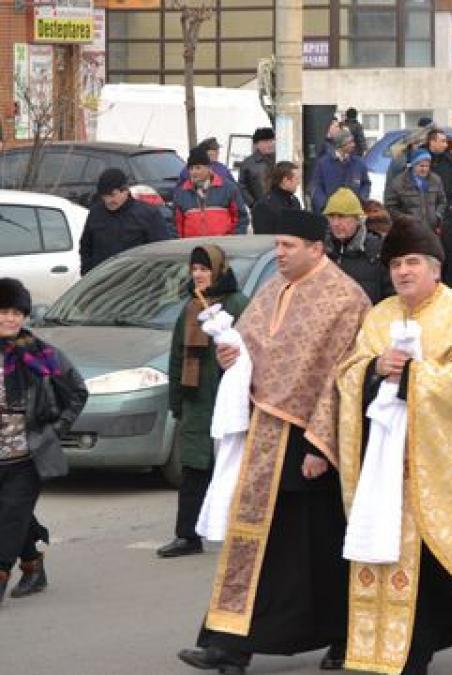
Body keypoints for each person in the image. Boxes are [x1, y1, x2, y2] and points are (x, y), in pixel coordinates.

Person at [177, 209, 371, 675]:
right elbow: (247, 346)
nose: (279, 254)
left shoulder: (346, 298)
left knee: (323, 547)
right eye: (277, 245)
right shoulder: (273, 289)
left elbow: (342, 376)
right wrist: (231, 354)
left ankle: (344, 637)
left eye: (288, 247)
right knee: (259, 541)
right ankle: (227, 644)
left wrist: (322, 445)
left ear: (316, 249)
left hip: (312, 441)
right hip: (265, 434)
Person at [335, 217, 452, 674]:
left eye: (413, 262)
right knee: (396, 563)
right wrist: (375, 368)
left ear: (436, 269)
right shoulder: (378, 316)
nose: (403, 272)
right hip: (388, 466)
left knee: (448, 563)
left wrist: (416, 375)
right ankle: (402, 658)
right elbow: (347, 373)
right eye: (397, 263)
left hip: (448, 466)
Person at [158, 246, 249, 559]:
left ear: (219, 270)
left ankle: (238, 532)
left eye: (204, 268)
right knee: (194, 467)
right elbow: (177, 356)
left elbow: (252, 349)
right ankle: (187, 535)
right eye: (194, 268)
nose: (198, 274)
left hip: (229, 399)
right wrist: (178, 401)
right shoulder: (190, 306)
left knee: (233, 468)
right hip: (197, 399)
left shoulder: (237, 303)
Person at [0, 278, 87, 604]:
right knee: (14, 515)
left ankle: (2, 572)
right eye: (3, 311)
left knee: (9, 515)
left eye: (16, 312)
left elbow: (78, 392)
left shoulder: (42, 354)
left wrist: (55, 431)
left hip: (27, 454)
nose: (10, 318)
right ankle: (33, 566)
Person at [80, 168, 171, 274]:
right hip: (103, 280)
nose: (109, 200)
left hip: (136, 281)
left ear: (125, 190)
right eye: (105, 196)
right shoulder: (96, 213)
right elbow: (86, 247)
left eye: (113, 195)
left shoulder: (148, 214)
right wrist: (88, 274)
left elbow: (161, 251)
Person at [324, 188, 392, 304]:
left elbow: (391, 295)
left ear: (358, 219)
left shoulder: (377, 251)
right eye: (331, 217)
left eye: (341, 216)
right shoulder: (321, 251)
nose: (335, 223)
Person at [175, 147, 247, 238]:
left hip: (222, 248)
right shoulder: (182, 193)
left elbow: (241, 217)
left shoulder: (228, 188)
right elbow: (176, 224)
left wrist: (234, 240)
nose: (194, 172)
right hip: (193, 248)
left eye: (198, 168)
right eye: (191, 168)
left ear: (208, 168)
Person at [310, 129, 371, 215]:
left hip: (353, 213)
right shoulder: (323, 163)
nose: (353, 145)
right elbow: (316, 186)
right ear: (340, 145)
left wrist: (361, 199)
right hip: (330, 213)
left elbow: (366, 184)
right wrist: (324, 205)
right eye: (349, 142)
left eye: (353, 141)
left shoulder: (359, 163)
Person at [385, 149, 446, 232]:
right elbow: (390, 206)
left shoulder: (435, 180)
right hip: (409, 230)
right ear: (413, 165)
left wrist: (437, 215)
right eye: (421, 166)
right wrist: (405, 219)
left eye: (427, 166)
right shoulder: (399, 182)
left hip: (431, 229)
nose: (424, 169)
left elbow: (442, 200)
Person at [251, 161, 302, 235]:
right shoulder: (264, 205)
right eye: (296, 179)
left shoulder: (294, 201)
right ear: (286, 180)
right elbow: (263, 236)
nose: (298, 183)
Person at [427, 129, 452, 220]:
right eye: (443, 141)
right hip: (429, 208)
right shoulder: (422, 160)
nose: (446, 145)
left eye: (446, 141)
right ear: (432, 142)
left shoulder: (449, 160)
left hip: (450, 207)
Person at [238, 127, 275, 207]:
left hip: (278, 206)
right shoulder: (248, 163)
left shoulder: (278, 160)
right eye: (266, 141)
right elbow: (242, 187)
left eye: (271, 141)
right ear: (257, 144)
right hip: (259, 208)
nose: (270, 144)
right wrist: (253, 204)